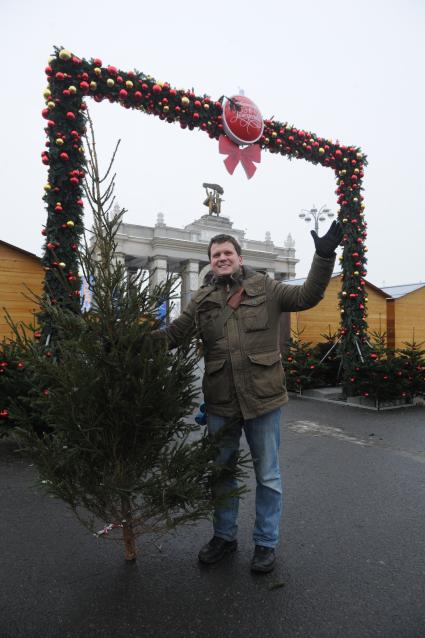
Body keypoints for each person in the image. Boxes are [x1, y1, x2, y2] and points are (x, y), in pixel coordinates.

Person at [156, 221, 342, 573]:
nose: (222, 258)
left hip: (263, 399)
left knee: (268, 476)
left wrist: (324, 255)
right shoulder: (202, 298)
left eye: (228, 253)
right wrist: (127, 342)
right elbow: (174, 334)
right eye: (216, 255)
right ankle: (224, 537)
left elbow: (308, 296)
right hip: (221, 402)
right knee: (221, 473)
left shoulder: (266, 287)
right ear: (210, 262)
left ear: (239, 258)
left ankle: (265, 544)